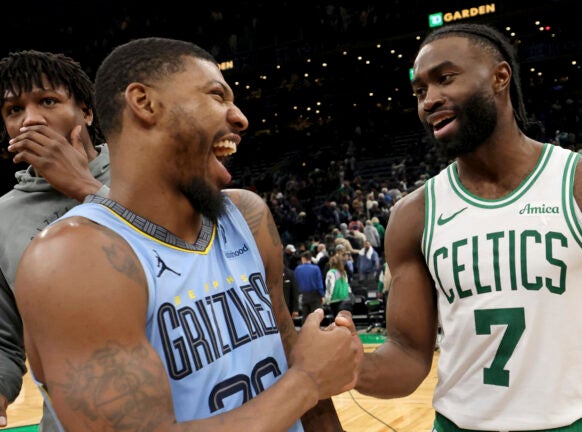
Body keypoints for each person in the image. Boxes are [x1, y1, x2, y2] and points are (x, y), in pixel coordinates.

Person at [346, 23, 582, 431]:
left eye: (445, 79)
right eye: (420, 91)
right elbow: (407, 353)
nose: (429, 100)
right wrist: (353, 366)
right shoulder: (413, 216)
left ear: (500, 77)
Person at [14, 37, 361, 431]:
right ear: (144, 103)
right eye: (217, 95)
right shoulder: (72, 258)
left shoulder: (248, 216)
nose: (240, 118)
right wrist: (308, 383)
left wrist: (309, 381)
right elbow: (307, 377)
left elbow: (290, 355)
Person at [0, 50, 112, 430]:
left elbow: (186, 264)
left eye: (48, 101)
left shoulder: (143, 172)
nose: (30, 119)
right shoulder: (3, 217)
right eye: (14, 109)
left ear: (87, 112)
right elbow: (4, 341)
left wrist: (85, 188)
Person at [295, 251, 326, 323]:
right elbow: (319, 283)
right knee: (316, 317)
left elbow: (296, 283)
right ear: (310, 258)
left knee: (305, 316)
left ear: (303, 258)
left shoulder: (297, 269)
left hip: (303, 295)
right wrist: (322, 295)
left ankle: (305, 333)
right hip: (315, 295)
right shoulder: (316, 269)